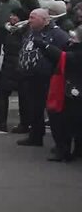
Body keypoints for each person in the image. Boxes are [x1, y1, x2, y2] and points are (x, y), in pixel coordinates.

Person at [17, 7, 71, 147]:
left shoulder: (58, 35)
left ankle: (60, 144)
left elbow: (63, 55)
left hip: (48, 77)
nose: (29, 20)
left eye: (33, 17)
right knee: (34, 108)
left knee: (53, 111)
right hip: (31, 76)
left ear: (45, 20)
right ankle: (35, 136)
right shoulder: (31, 32)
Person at [41, 28, 82, 161]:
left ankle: (64, 151)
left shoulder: (76, 53)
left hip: (72, 90)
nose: (71, 40)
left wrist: (45, 46)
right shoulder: (72, 48)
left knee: (65, 122)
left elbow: (63, 57)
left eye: (74, 38)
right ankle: (75, 150)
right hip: (72, 90)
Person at [0, 13, 28, 132]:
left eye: (15, 16)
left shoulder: (21, 31)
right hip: (10, 64)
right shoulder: (10, 30)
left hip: (16, 65)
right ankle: (2, 122)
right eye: (11, 15)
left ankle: (18, 123)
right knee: (4, 94)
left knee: (10, 94)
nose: (11, 18)